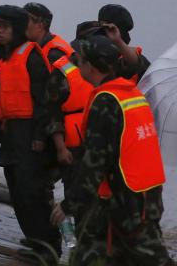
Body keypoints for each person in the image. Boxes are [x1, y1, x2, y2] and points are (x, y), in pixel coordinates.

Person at [52, 35, 172, 266]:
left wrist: (69, 204)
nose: (77, 65)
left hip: (128, 198)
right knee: (112, 253)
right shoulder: (131, 92)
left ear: (90, 65)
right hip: (146, 191)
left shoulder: (106, 101)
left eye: (80, 60)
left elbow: (96, 161)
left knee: (149, 257)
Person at [0, 5, 60, 262]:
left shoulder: (31, 56)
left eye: (5, 27)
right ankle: (36, 243)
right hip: (9, 133)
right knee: (17, 192)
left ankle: (49, 247)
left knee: (32, 193)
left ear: (17, 29)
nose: (0, 32)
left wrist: (40, 136)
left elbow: (45, 101)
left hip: (30, 134)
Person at [25, 3, 92, 182]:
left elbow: (50, 102)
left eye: (26, 21)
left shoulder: (54, 53)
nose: (21, 25)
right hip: (57, 126)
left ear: (40, 25)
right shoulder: (37, 46)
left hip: (60, 129)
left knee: (41, 180)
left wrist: (42, 135)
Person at [98, 4, 151, 82]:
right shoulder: (93, 55)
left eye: (105, 28)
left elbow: (135, 65)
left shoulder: (131, 60)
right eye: (99, 26)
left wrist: (117, 41)